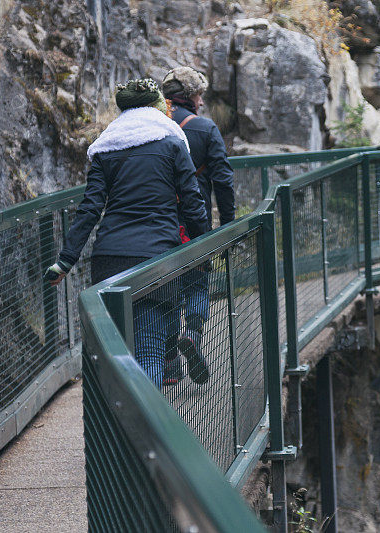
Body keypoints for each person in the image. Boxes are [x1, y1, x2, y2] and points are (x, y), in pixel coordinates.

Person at [44, 78, 208, 387]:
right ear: (156, 106)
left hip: (109, 261)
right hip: (156, 261)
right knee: (149, 352)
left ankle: (116, 433)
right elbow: (192, 202)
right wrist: (204, 250)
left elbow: (90, 209)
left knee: (117, 356)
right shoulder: (172, 143)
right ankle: (147, 433)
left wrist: (65, 261)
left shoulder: (107, 149)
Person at [160, 66, 236, 386]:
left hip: (159, 224)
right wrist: (228, 227)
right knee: (198, 282)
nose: (202, 102)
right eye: (199, 95)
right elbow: (223, 180)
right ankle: (192, 333)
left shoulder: (151, 126)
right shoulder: (205, 129)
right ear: (189, 96)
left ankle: (170, 366)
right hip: (195, 221)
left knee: (164, 291)